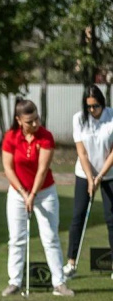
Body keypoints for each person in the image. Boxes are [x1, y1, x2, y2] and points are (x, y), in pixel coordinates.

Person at [1, 98, 74, 297]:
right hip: (17, 193)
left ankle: (59, 283)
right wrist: (24, 194)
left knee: (50, 237)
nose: (35, 124)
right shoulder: (11, 137)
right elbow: (8, 168)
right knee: (16, 239)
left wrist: (32, 195)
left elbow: (42, 170)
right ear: (18, 120)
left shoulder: (46, 137)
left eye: (36, 119)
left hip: (44, 193)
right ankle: (14, 282)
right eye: (29, 121)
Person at [63, 85, 113, 280]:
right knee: (78, 217)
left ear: (103, 103)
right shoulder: (79, 119)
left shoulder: (112, 117)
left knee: (111, 219)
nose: (92, 110)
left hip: (109, 174)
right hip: (84, 174)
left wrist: (100, 176)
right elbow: (81, 152)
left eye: (96, 106)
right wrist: (90, 177)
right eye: (89, 107)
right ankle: (71, 263)